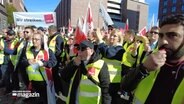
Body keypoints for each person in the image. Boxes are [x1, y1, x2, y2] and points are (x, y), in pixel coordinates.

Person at [120, 14, 184, 104]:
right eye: (161, 36)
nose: (164, 41)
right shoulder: (152, 57)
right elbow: (125, 86)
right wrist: (143, 68)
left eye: (172, 35)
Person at [21, 33, 57, 104]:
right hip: (32, 81)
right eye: (33, 39)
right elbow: (22, 62)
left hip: (44, 81)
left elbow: (53, 62)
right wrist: (28, 62)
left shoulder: (47, 51)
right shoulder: (28, 50)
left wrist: (44, 63)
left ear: (41, 41)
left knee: (45, 100)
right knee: (36, 100)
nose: (34, 41)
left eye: (37, 39)